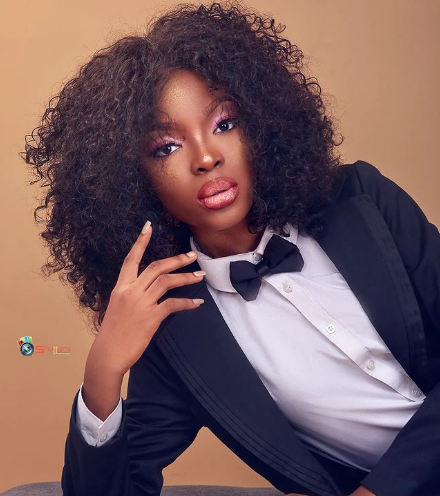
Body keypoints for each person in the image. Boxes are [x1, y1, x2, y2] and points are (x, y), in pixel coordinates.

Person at [22, 2, 440, 496]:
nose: (206, 158)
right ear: (132, 181)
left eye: (223, 123)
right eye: (166, 147)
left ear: (261, 124)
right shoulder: (180, 330)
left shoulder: (362, 200)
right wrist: (102, 372)